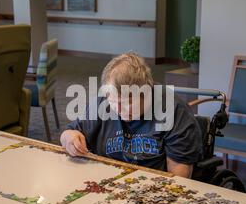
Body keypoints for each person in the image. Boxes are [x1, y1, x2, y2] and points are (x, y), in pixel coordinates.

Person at [60, 52, 202, 178]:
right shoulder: (103, 102)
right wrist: (70, 137)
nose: (118, 109)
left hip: (152, 191)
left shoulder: (175, 111)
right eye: (113, 101)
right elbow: (68, 133)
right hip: (105, 184)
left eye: (127, 102)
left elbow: (178, 179)